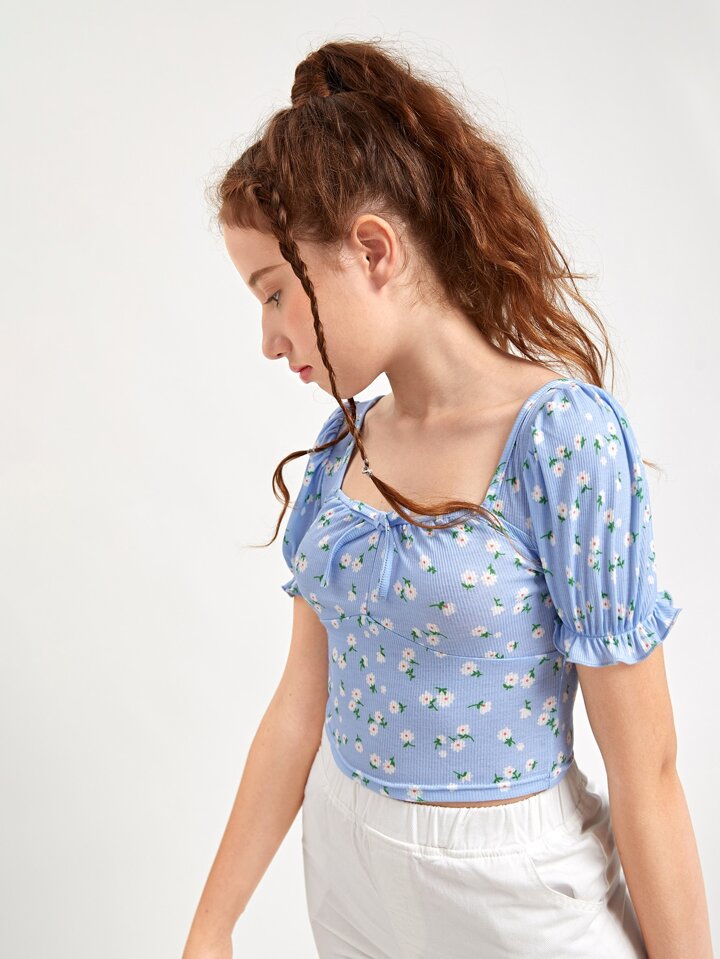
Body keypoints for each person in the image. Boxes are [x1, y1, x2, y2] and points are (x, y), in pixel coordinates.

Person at [182, 38, 713, 959]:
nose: (269, 339)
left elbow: (649, 770)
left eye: (274, 294)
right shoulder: (341, 449)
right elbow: (300, 706)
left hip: (517, 899)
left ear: (372, 249)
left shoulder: (560, 440)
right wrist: (212, 923)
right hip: (349, 874)